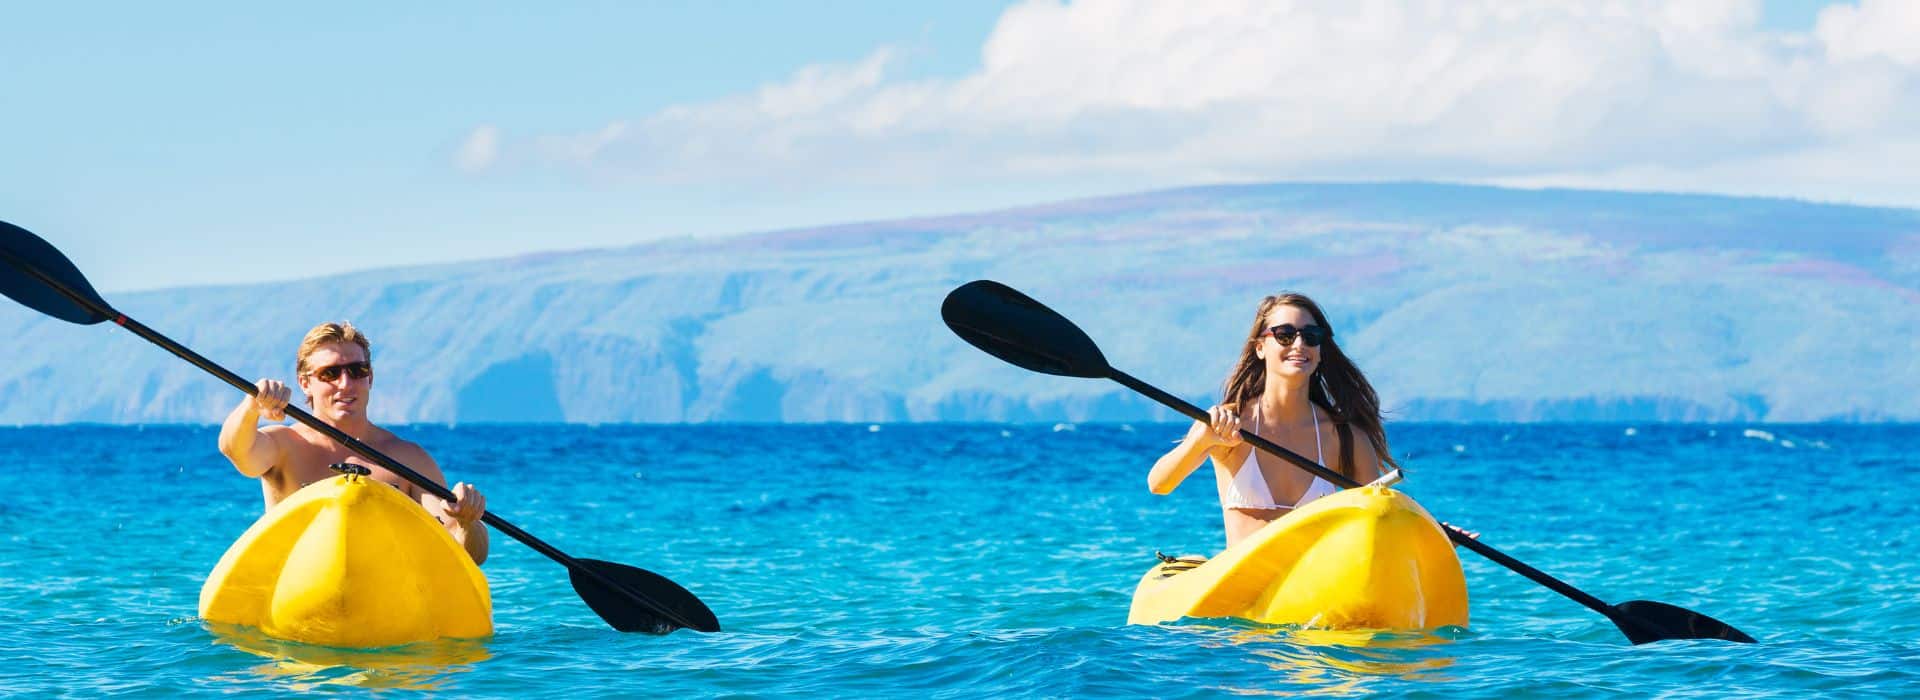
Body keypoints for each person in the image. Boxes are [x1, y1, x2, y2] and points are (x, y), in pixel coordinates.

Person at [217, 321, 490, 564]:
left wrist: (469, 523)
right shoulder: (283, 445)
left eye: (357, 370)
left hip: (381, 598)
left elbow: (466, 555)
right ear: (305, 383)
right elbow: (235, 449)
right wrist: (251, 406)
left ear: (369, 378)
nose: (345, 384)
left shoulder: (408, 458)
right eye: (329, 374)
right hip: (297, 594)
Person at [1147, 292, 1397, 549]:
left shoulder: (1344, 436)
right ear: (1260, 348)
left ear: (1320, 351)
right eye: (1285, 335)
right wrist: (1199, 441)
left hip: (1314, 581)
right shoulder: (1228, 423)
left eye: (1311, 336)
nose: (1299, 344)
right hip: (1246, 579)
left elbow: (1379, 521)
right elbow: (1158, 484)